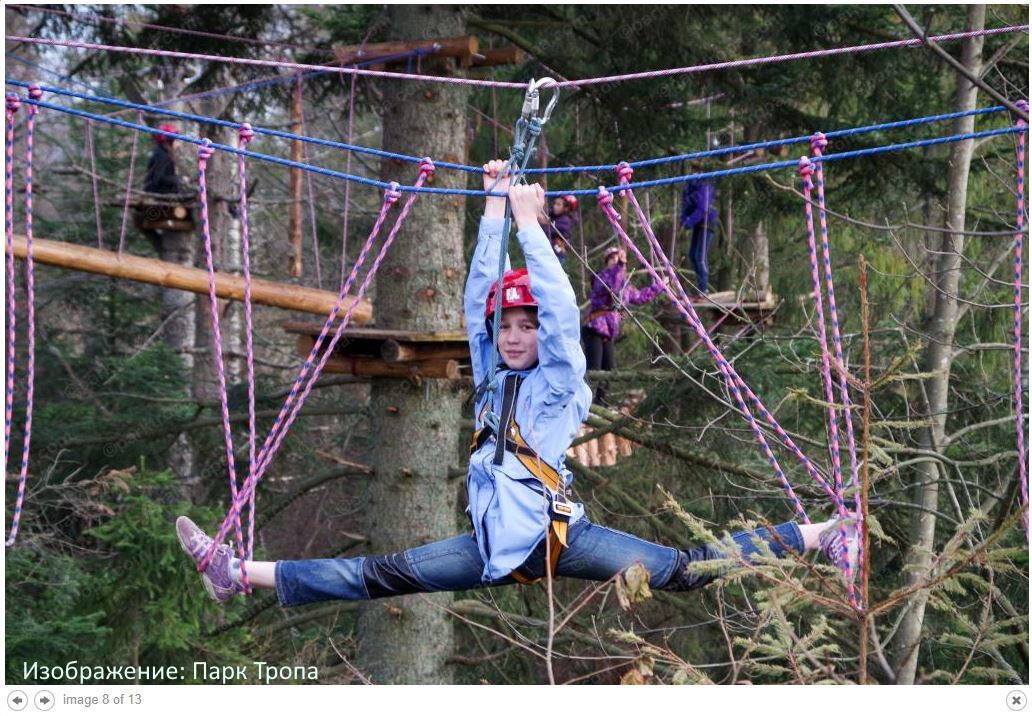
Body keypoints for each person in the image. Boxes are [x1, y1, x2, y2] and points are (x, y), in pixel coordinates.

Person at [175, 159, 859, 606]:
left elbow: (562, 315)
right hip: (489, 551)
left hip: (561, 537)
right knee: (375, 575)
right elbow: (478, 302)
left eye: (523, 328)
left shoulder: (556, 383)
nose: (513, 335)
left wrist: (530, 226)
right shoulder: (495, 375)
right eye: (509, 328)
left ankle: (818, 533)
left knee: (683, 568)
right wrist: (494, 209)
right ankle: (235, 574)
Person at [582, 246, 663, 404]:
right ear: (607, 262)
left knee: (609, 370)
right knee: (594, 369)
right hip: (594, 328)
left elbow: (640, 296)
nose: (615, 262)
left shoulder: (625, 287)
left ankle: (601, 404)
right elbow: (613, 286)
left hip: (608, 332)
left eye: (617, 259)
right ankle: (585, 404)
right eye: (612, 259)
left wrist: (659, 286)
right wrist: (620, 265)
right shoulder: (601, 278)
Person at [140, 123, 186, 252]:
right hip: (159, 192)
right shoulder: (162, 155)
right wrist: (177, 180)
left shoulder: (162, 153)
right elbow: (158, 179)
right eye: (176, 139)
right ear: (169, 141)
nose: (179, 143)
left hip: (160, 190)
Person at [680, 178, 717, 297]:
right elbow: (686, 207)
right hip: (698, 224)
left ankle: (704, 288)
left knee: (700, 256)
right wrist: (684, 221)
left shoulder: (705, 185)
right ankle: (701, 288)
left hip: (707, 223)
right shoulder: (689, 187)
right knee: (692, 254)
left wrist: (689, 222)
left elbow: (703, 209)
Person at [538, 193, 578, 262]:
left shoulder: (565, 221)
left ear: (566, 208)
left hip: (557, 255)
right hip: (548, 253)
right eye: (555, 203)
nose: (554, 206)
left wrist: (541, 222)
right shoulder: (555, 217)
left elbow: (547, 231)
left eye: (558, 204)